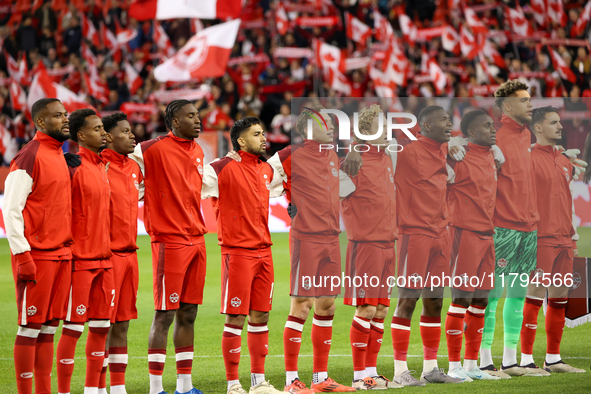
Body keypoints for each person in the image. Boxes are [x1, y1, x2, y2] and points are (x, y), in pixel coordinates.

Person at [202, 116, 285, 394]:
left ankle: (258, 382)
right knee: (236, 318)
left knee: (261, 316)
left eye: (263, 133)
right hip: (237, 254)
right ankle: (233, 384)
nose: (264, 138)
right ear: (240, 141)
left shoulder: (265, 170)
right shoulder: (218, 169)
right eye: (257, 134)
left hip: (265, 253)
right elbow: (188, 189)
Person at [130, 100, 206, 394]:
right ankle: (155, 388)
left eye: (198, 115)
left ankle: (185, 387)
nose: (197, 120)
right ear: (174, 122)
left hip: (197, 241)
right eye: (190, 116)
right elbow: (123, 172)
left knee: (189, 313)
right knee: (164, 314)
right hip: (169, 242)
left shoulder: (198, 150)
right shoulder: (149, 149)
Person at [281, 104, 356, 393]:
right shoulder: (291, 154)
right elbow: (262, 178)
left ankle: (320, 379)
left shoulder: (333, 158)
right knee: (302, 305)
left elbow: (347, 190)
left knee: (327, 305)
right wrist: (288, 196)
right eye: (326, 123)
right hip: (305, 239)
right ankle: (290, 381)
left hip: (330, 239)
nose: (332, 127)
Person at [4, 98, 73, 394]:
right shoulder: (29, 156)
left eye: (66, 114)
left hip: (61, 254)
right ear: (41, 122)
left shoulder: (58, 153)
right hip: (38, 256)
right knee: (30, 327)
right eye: (58, 116)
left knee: (48, 327)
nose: (65, 120)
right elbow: (10, 210)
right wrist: (22, 255)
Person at [391, 106, 462, 385]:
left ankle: (430, 368)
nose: (449, 123)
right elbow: (379, 152)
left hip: (441, 235)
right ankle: (399, 372)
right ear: (424, 125)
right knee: (408, 299)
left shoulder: (444, 151)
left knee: (434, 301)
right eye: (443, 120)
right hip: (414, 234)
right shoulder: (405, 151)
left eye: (449, 119)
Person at [339, 105, 402, 390]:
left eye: (387, 125)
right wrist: (353, 148)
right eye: (380, 126)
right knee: (365, 310)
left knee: (380, 311)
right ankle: (358, 376)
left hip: (389, 244)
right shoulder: (353, 161)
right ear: (365, 132)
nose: (387, 130)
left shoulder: (387, 159)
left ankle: (372, 372)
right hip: (365, 246)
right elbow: (332, 193)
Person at [480, 80, 540, 377]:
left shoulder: (526, 134)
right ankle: (483, 359)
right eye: (524, 100)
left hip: (529, 225)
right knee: (491, 293)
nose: (530, 104)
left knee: (517, 292)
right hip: (502, 225)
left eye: (530, 99)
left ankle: (511, 360)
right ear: (506, 106)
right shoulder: (493, 136)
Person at [519, 106, 586, 374]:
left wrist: (573, 236)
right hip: (540, 239)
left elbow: (568, 202)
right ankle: (524, 360)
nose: (560, 127)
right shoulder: (528, 158)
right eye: (553, 123)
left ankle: (554, 359)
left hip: (564, 239)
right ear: (537, 128)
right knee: (534, 296)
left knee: (560, 299)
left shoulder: (564, 160)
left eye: (560, 122)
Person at [56, 108, 114, 394]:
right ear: (81, 135)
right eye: (98, 129)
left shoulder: (101, 166)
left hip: (106, 260)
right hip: (80, 261)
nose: (104, 133)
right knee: (74, 328)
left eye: (104, 128)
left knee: (102, 327)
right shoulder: (72, 167)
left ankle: (94, 390)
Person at [444, 110, 501, 381]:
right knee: (461, 300)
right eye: (487, 126)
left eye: (493, 125)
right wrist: (450, 143)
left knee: (481, 301)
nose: (493, 130)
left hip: (487, 236)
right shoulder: (458, 156)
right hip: (463, 233)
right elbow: (424, 149)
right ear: (471, 133)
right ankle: (454, 366)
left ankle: (471, 365)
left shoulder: (491, 155)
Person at [101, 112, 144, 394]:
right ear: (108, 137)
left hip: (130, 255)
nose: (132, 136)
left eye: (132, 131)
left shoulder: (134, 168)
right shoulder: (97, 166)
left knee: (123, 323)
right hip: (107, 257)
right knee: (102, 325)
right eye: (126, 132)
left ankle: (118, 388)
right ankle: (97, 387)